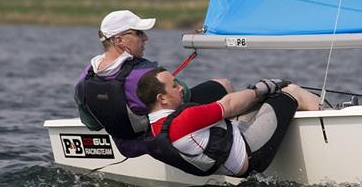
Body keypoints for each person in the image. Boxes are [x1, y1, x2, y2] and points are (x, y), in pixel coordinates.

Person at [74, 10, 231, 157]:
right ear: (119, 40)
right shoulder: (144, 73)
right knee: (223, 85)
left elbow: (92, 125)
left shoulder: (85, 77)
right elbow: (184, 94)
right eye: (139, 33)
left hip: (125, 149)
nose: (145, 38)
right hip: (157, 146)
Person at [137, 68, 320, 177]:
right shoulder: (184, 120)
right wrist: (262, 88)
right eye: (174, 86)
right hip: (251, 153)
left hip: (232, 155)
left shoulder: (152, 131)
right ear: (161, 98)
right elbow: (229, 105)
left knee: (262, 101)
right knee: (291, 91)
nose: (181, 89)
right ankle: (327, 115)